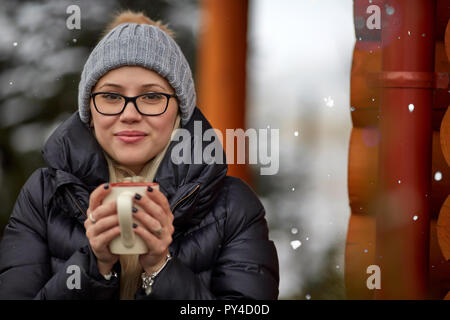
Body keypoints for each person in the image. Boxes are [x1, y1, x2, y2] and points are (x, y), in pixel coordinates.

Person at [0, 10, 279, 300]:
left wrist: (161, 267)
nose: (130, 114)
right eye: (110, 96)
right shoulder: (44, 195)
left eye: (152, 96)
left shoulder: (233, 206)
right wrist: (94, 265)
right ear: (89, 112)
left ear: (179, 113)